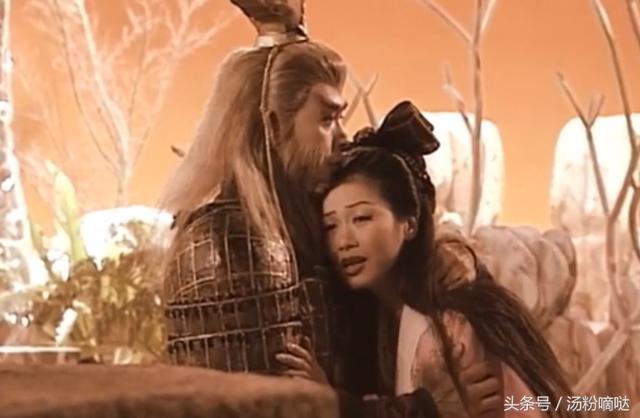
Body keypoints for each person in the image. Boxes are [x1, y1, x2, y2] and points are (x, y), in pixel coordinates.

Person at [159, 1, 501, 416]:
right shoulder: (235, 244)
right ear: (273, 125)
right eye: (326, 119)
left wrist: (432, 266)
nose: (342, 137)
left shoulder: (304, 221)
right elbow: (281, 410)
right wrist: (432, 408)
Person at [278, 101, 579, 418]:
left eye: (362, 218)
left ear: (409, 223)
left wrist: (333, 405)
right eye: (330, 226)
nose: (344, 241)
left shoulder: (450, 329)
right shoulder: (380, 315)